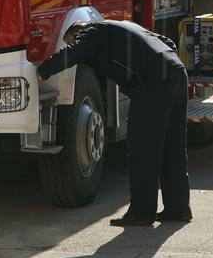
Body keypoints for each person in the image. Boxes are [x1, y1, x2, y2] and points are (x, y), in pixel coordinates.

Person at [37, 20, 193, 227]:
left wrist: (42, 72)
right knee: (172, 146)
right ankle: (178, 208)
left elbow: (75, 52)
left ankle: (141, 212)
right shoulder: (123, 27)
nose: (73, 43)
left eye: (71, 40)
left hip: (153, 82)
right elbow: (167, 42)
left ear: (77, 32)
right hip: (176, 72)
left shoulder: (92, 32)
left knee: (142, 148)